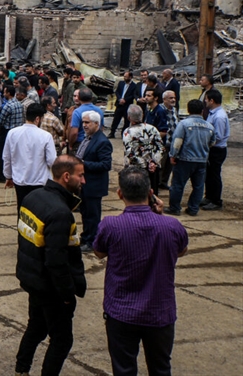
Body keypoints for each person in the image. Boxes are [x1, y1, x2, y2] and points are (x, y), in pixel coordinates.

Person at [94, 168, 188, 376]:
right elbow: (181, 250)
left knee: (123, 368)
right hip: (159, 312)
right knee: (161, 367)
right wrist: (159, 216)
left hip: (121, 312)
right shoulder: (172, 226)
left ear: (120, 194)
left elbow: (99, 252)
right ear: (151, 192)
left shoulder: (111, 225)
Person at [15, 156, 87, 376]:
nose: (83, 181)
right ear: (66, 176)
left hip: (34, 279)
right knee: (62, 340)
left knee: (36, 327)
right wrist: (67, 294)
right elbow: (56, 261)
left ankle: (21, 369)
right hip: (50, 287)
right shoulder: (60, 213)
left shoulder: (33, 197)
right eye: (80, 175)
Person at [165, 99, 214, 216]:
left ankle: (175, 208)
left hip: (184, 159)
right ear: (202, 111)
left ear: (188, 110)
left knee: (178, 184)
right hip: (202, 160)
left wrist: (173, 155)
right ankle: (193, 208)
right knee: (198, 186)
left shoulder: (183, 124)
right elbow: (212, 142)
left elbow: (177, 142)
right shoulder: (209, 126)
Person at [4, 104, 56, 212]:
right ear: (37, 119)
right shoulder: (46, 136)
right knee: (38, 211)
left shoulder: (12, 133)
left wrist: (8, 176)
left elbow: (7, 157)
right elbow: (52, 160)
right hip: (40, 181)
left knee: (22, 209)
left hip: (20, 180)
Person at [77, 110, 112, 254]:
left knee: (92, 215)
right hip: (85, 184)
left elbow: (106, 165)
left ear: (96, 124)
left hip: (94, 185)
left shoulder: (102, 142)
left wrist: (83, 164)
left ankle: (92, 241)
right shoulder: (87, 138)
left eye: (87, 122)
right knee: (85, 213)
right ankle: (86, 236)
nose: (84, 125)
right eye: (83, 122)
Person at [122, 104, 165, 191]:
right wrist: (153, 163)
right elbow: (161, 148)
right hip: (153, 169)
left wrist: (145, 165)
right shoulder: (153, 128)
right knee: (152, 193)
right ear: (143, 115)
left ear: (129, 117)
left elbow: (130, 154)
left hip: (136, 172)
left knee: (138, 195)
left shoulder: (128, 132)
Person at [202, 89, 229, 211]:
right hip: (212, 149)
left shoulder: (219, 116)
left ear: (212, 100)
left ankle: (216, 201)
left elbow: (218, 136)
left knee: (214, 175)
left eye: (206, 99)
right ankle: (209, 197)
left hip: (216, 150)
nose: (205, 101)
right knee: (209, 174)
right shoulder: (213, 113)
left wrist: (206, 143)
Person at [0, 85, 24, 183]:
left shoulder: (7, 106)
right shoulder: (19, 104)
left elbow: (0, 121)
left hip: (7, 132)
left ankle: (1, 175)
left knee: (2, 154)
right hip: (18, 132)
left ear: (8, 93)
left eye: (5, 92)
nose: (3, 94)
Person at [67, 88, 104, 152]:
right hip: (95, 142)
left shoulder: (77, 112)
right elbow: (101, 128)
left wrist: (71, 144)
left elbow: (74, 132)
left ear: (79, 98)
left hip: (80, 144)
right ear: (92, 98)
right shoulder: (99, 111)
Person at [159, 90, 179, 193]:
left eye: (174, 98)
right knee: (160, 164)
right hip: (163, 142)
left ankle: (163, 182)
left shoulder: (174, 110)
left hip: (172, 142)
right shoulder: (160, 109)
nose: (173, 100)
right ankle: (157, 183)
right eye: (170, 98)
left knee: (169, 165)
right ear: (164, 99)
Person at [110, 71, 137, 138]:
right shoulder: (121, 83)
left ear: (130, 77)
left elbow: (133, 95)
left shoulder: (134, 86)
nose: (124, 78)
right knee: (116, 119)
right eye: (124, 76)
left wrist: (125, 100)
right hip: (119, 104)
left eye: (126, 77)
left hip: (127, 105)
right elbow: (117, 92)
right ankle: (112, 132)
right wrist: (120, 99)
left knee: (127, 121)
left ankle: (123, 133)